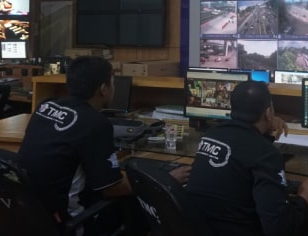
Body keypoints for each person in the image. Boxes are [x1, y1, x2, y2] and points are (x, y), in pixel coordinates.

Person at [18, 55, 189, 235]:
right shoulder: (95, 123)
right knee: (140, 205)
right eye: (113, 83)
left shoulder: (45, 106)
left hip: (33, 216)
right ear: (103, 89)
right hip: (70, 222)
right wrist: (164, 180)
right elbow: (112, 188)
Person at [187, 80, 308, 236]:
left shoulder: (211, 135)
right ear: (268, 113)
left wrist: (265, 129)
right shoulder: (266, 155)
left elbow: (245, 147)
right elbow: (279, 228)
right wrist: (305, 196)